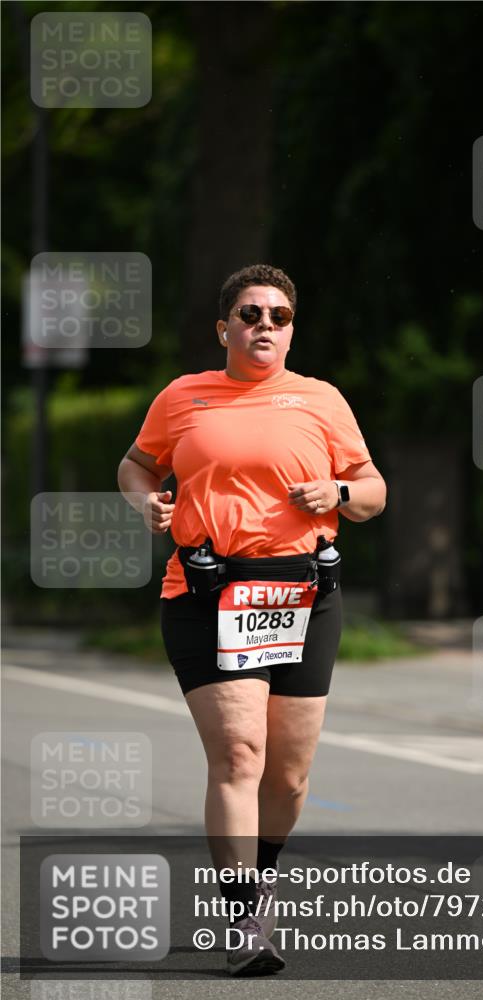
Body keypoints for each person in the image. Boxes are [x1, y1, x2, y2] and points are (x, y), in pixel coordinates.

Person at [117, 263, 386, 975]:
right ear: (223, 328)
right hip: (208, 592)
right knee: (239, 756)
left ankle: (259, 883)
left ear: (291, 331)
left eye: (278, 316)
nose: (264, 324)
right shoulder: (183, 396)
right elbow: (136, 466)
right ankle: (243, 923)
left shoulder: (322, 400)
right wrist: (147, 502)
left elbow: (372, 490)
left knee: (288, 777)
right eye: (250, 313)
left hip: (303, 597)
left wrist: (337, 491)